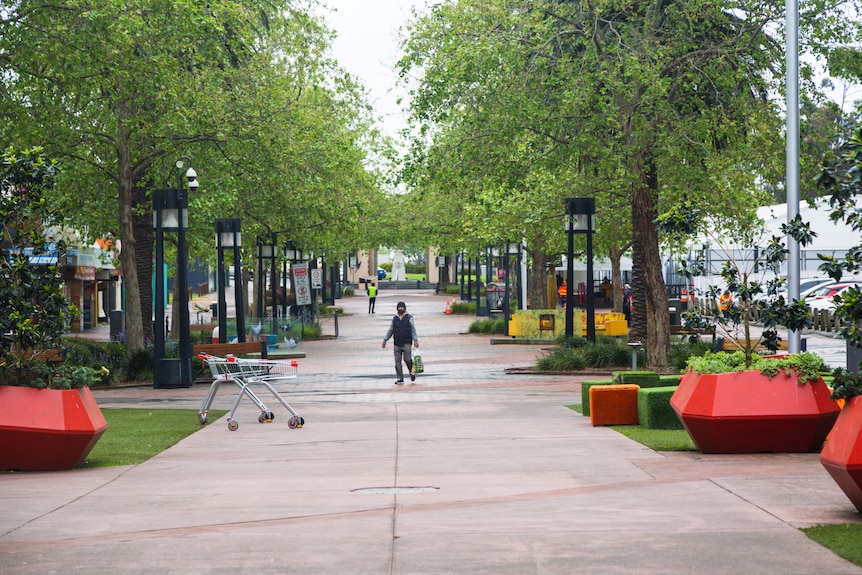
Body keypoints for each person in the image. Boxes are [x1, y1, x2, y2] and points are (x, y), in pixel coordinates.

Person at [382, 301, 419, 385]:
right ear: (397, 308)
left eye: (402, 307)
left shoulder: (409, 318)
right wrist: (385, 340)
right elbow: (391, 330)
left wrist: (415, 340)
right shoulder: (395, 318)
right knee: (397, 362)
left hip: (406, 343)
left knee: (407, 359)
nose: (400, 309)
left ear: (404, 308)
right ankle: (400, 378)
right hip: (397, 343)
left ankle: (411, 371)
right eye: (399, 307)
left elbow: (413, 330)